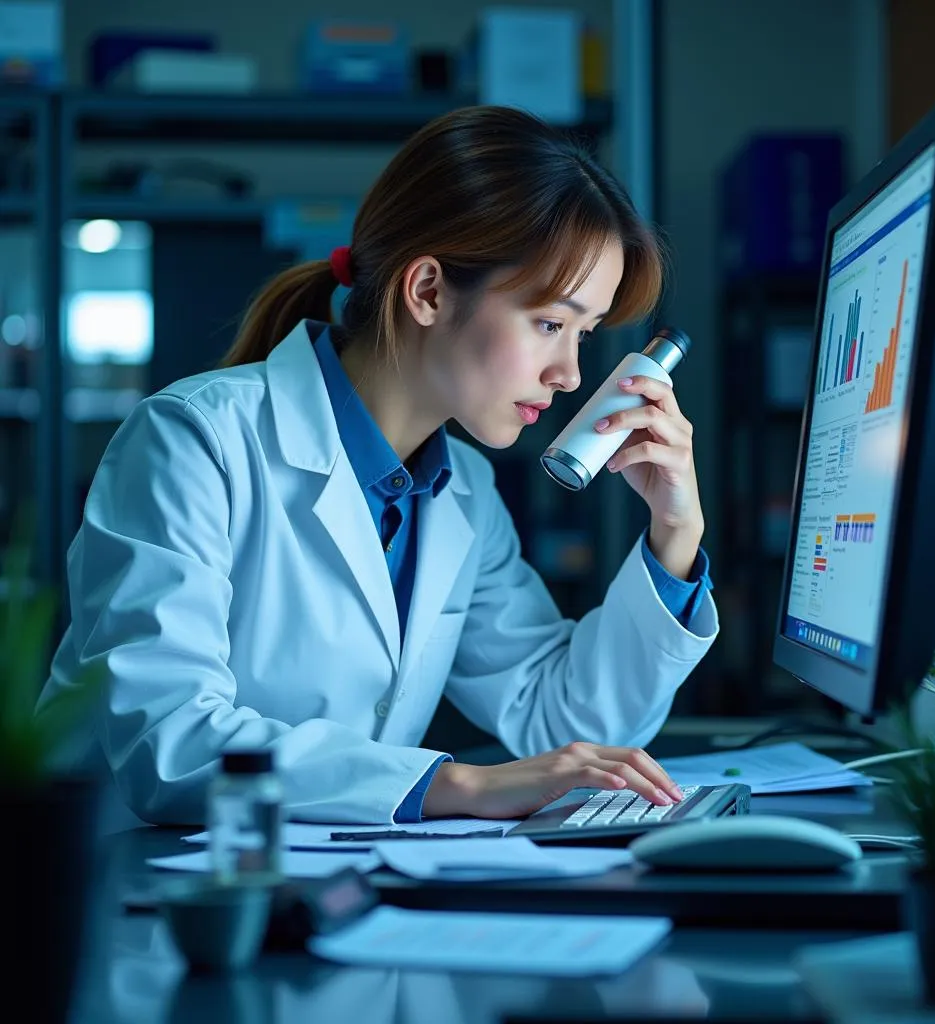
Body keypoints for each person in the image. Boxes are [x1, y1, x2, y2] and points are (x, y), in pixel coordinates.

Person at [39, 105, 718, 827]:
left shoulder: (464, 492)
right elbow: (166, 739)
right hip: (120, 892)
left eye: (583, 334)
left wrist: (673, 533)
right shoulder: (192, 439)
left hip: (310, 882)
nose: (571, 375)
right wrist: (461, 786)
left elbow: (560, 721)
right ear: (426, 290)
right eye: (551, 324)